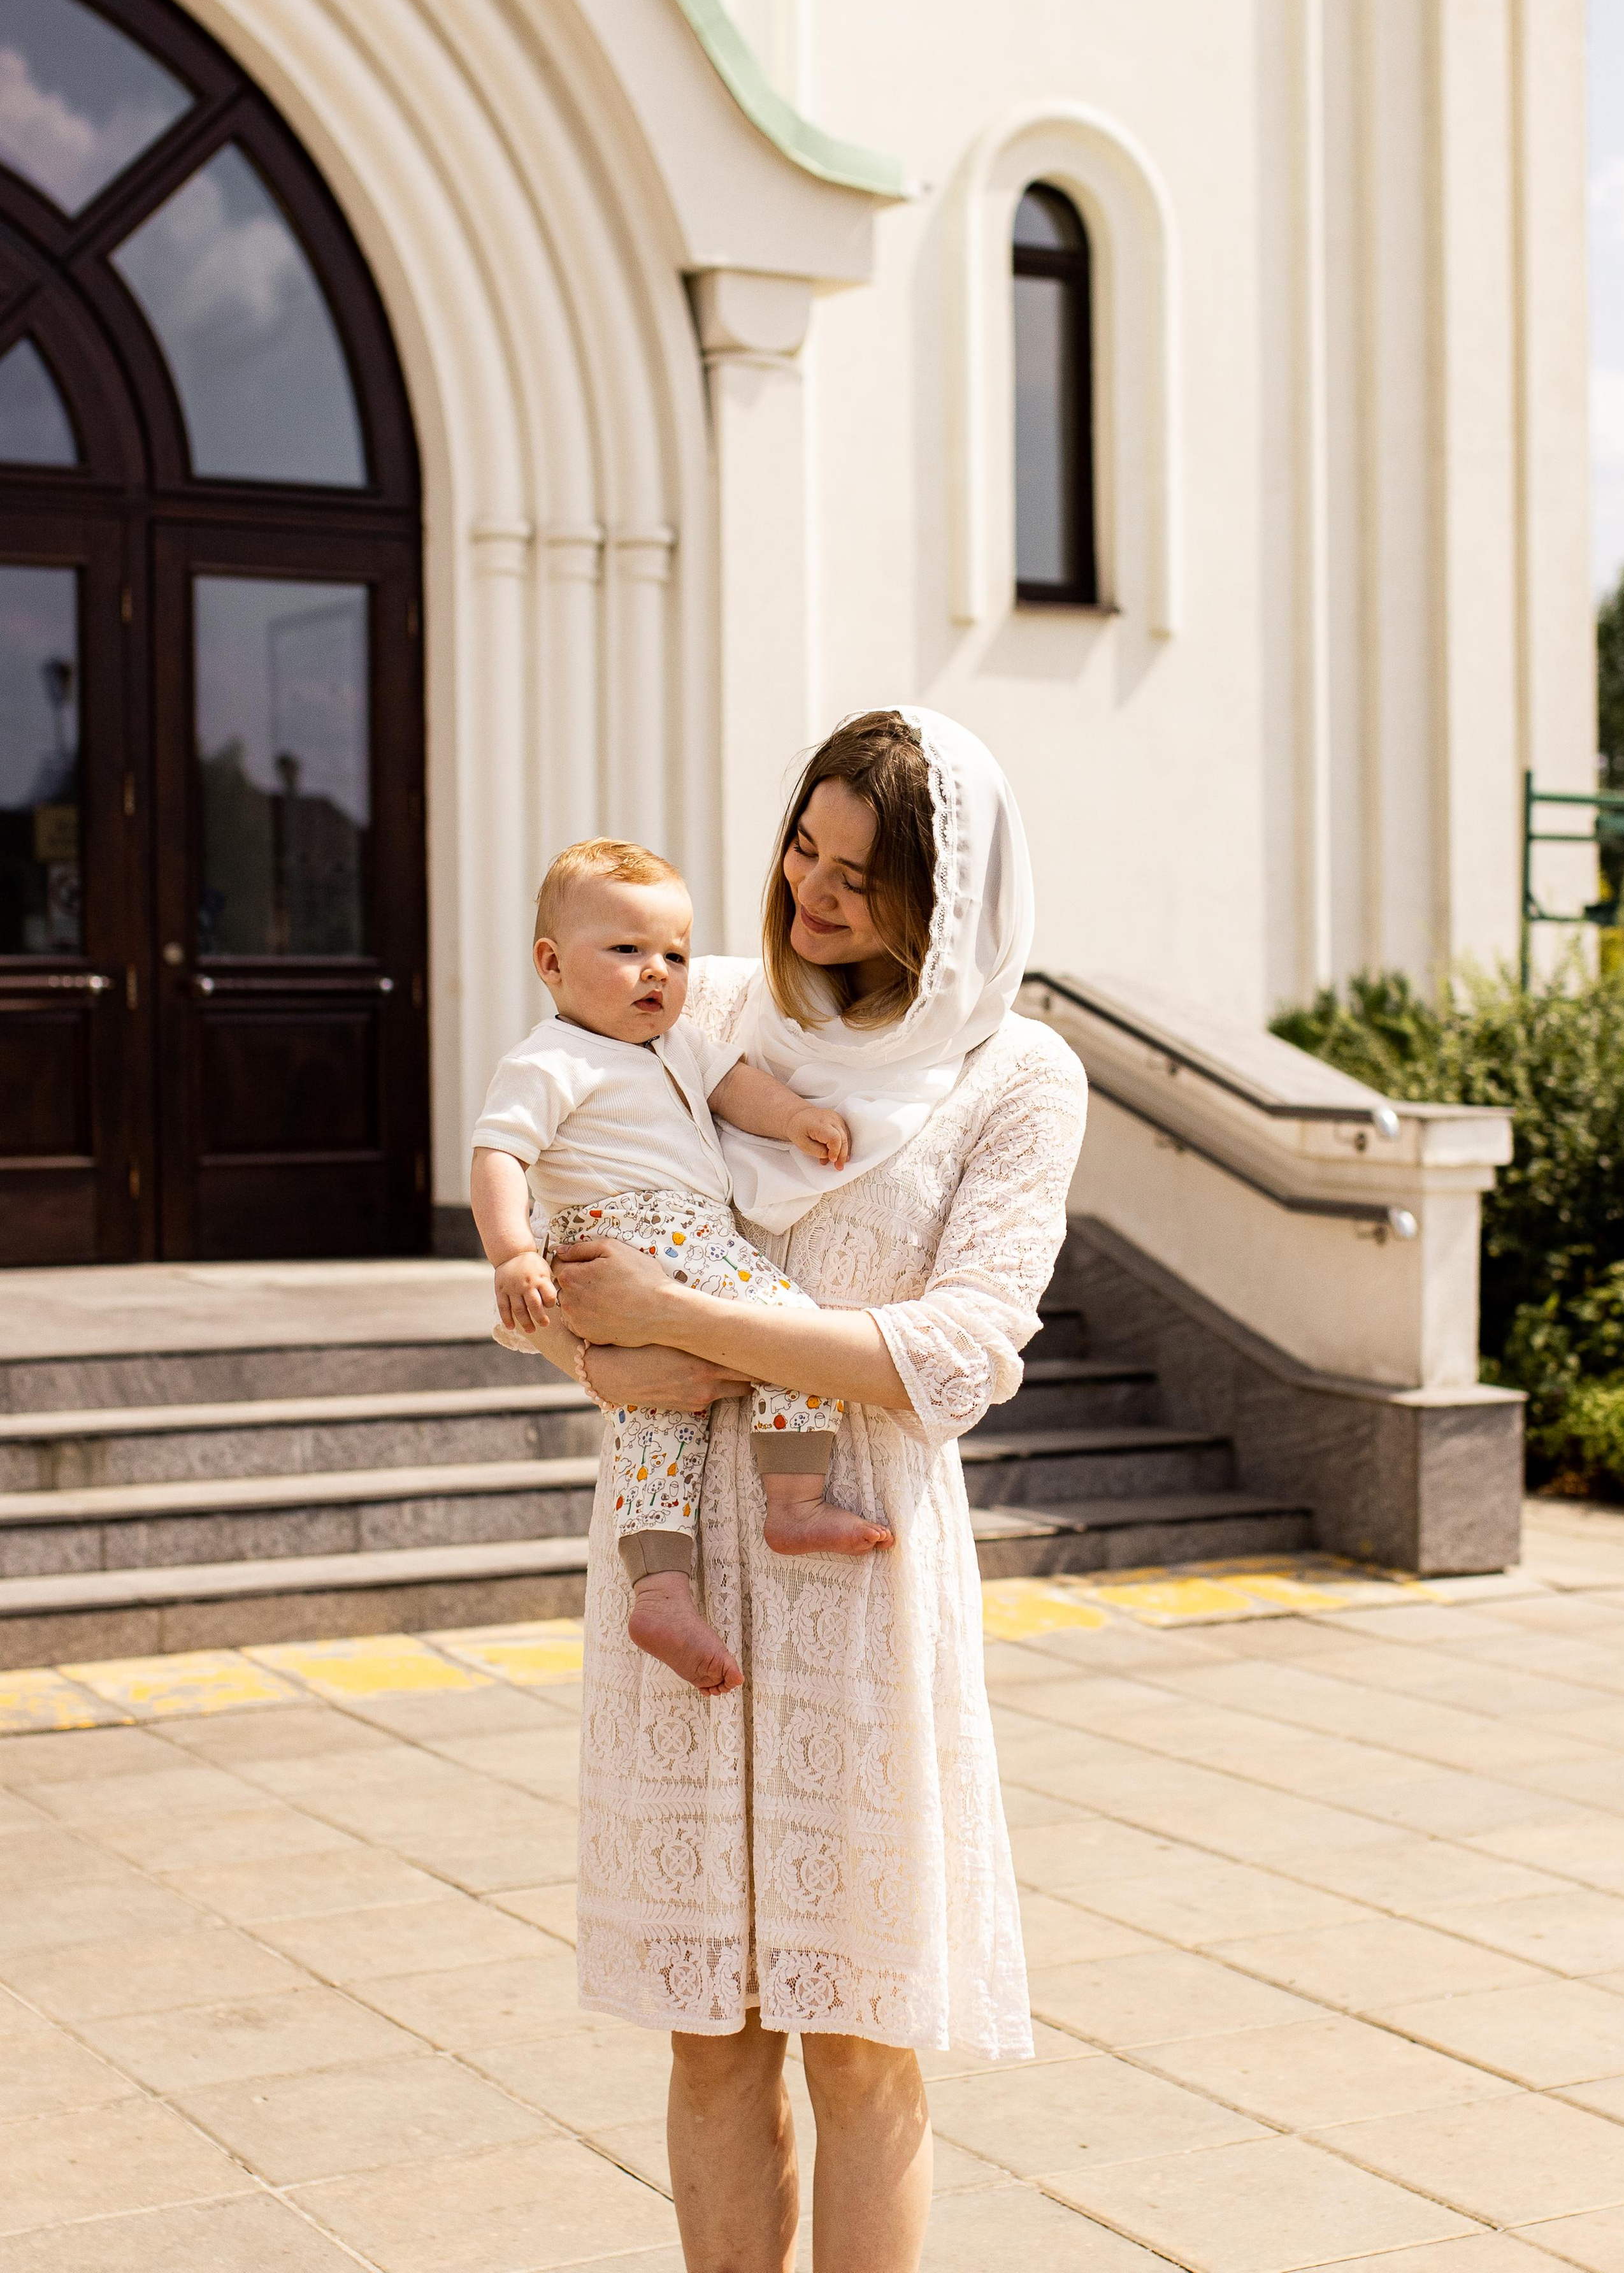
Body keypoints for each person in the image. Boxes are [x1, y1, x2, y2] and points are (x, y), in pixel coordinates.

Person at [521, 709, 1086, 2273]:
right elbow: (552, 1209)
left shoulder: (1015, 1077)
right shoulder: (697, 1004)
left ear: (947, 898)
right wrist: (592, 1356)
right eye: (801, 846)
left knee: (855, 2036)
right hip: (673, 1556)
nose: (811, 894)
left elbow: (961, 1352)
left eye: (859, 875)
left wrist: (680, 1321)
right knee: (710, 2035)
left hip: (862, 1574)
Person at [470, 836, 893, 1695]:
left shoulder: (680, 1045)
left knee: (659, 1429)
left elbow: (737, 1086)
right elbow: (498, 1156)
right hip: (631, 1235)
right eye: (626, 951)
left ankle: (661, 1591)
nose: (657, 971)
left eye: (675, 953)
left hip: (692, 1239)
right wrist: (513, 1253)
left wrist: (795, 1118)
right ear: (551, 964)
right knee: (793, 1331)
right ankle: (794, 1504)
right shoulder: (550, 1058)